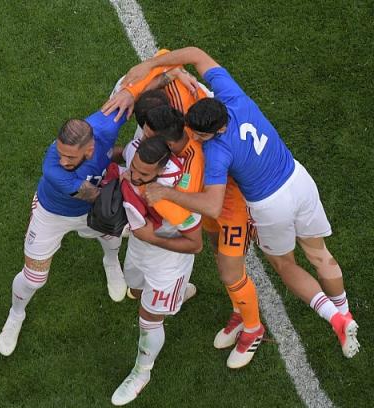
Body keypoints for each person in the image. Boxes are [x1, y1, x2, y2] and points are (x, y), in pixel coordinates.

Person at [123, 47, 359, 358]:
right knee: (318, 255)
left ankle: (266, 326)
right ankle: (341, 314)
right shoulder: (231, 99)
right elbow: (194, 54)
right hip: (296, 179)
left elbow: (211, 204)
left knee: (253, 269)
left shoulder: (216, 152)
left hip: (254, 205)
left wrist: (164, 193)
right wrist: (172, 70)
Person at [104, 60, 266, 368]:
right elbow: (167, 55)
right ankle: (239, 311)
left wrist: (162, 194)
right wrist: (170, 72)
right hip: (211, 199)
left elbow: (206, 208)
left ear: (164, 139)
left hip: (229, 205)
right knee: (221, 260)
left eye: (148, 135)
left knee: (230, 272)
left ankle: (253, 328)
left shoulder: (193, 164)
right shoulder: (184, 108)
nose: (144, 139)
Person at [0, 110, 129, 357]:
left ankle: (111, 263)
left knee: (112, 238)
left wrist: (133, 92)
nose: (62, 161)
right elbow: (99, 198)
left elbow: (131, 96)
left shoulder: (105, 127)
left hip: (89, 212)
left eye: (70, 156)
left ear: (89, 148)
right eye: (60, 152)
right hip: (52, 214)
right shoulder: (53, 169)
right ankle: (16, 314)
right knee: (34, 278)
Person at [110, 135, 203, 405]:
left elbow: (195, 245)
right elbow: (121, 156)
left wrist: (151, 238)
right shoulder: (136, 154)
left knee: (149, 318)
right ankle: (179, 294)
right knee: (136, 289)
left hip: (168, 262)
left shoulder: (176, 200)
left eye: (143, 174)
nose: (135, 176)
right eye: (134, 168)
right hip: (139, 248)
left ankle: (142, 372)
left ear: (161, 171)